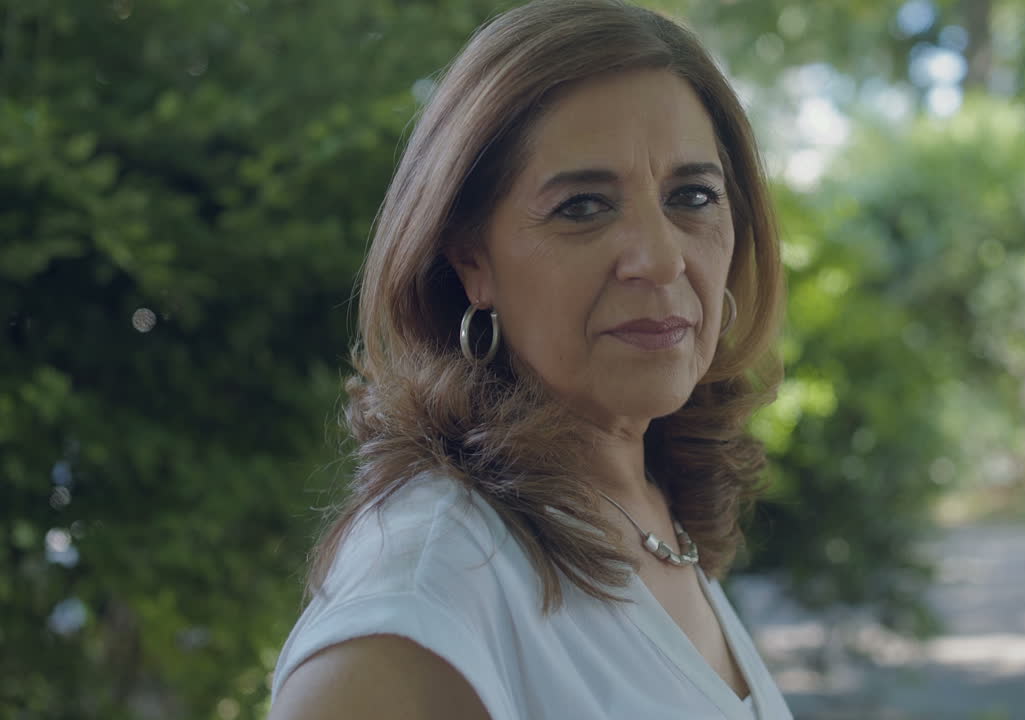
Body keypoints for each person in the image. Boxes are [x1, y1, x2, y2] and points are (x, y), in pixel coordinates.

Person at [267, 0, 789, 718]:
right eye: (583, 207)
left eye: (692, 196)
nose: (662, 258)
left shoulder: (647, 507)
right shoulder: (426, 595)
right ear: (471, 261)